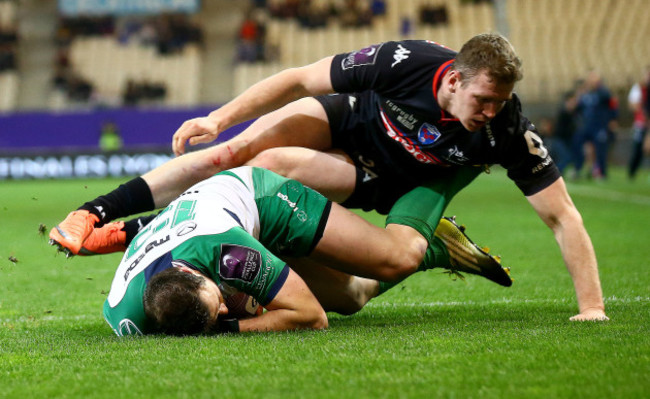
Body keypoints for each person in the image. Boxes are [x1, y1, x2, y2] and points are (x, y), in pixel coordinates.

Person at [50, 33, 607, 321]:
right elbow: (297, 79)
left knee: (369, 285)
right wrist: (220, 119)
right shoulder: (404, 61)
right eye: (484, 99)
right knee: (240, 158)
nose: (491, 111)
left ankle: (434, 246)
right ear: (455, 79)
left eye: (501, 102)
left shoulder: (506, 129)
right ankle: (97, 213)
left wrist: (592, 308)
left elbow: (563, 216)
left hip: (404, 182)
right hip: (350, 128)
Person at [101, 166, 505, 336]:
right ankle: (440, 249)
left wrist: (225, 329)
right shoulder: (124, 314)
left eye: (216, 301)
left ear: (190, 273)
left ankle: (450, 171)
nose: (224, 309)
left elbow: (312, 318)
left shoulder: (227, 252)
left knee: (393, 256)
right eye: (217, 312)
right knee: (351, 297)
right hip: (214, 224)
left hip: (263, 201)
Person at [571, 70, 618, 179]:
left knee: (601, 149)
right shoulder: (586, 94)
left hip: (600, 126)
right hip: (587, 126)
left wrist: (613, 119)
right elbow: (578, 109)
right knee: (576, 141)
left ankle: (602, 173)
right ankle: (578, 168)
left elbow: (613, 107)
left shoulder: (605, 93)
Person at [627, 66, 650, 180]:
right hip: (641, 124)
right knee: (638, 148)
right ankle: (632, 171)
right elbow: (633, 105)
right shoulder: (639, 88)